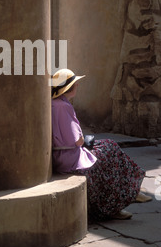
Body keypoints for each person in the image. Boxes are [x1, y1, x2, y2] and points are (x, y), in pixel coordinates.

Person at [51, 68, 152, 221]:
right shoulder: (63, 107)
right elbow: (76, 140)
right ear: (69, 87)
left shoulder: (55, 104)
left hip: (65, 155)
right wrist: (84, 139)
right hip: (70, 157)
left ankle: (129, 191)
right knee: (110, 151)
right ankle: (126, 195)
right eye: (75, 84)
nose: (78, 86)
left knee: (108, 147)